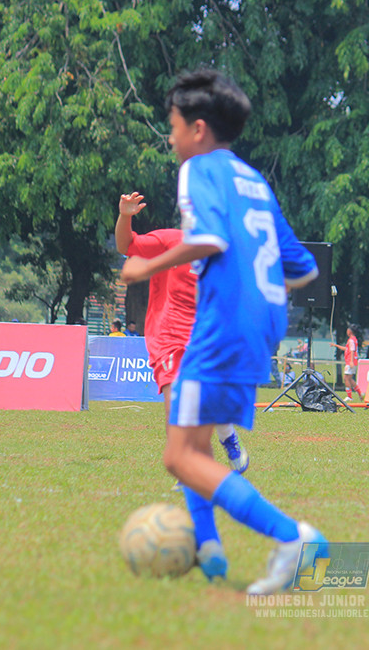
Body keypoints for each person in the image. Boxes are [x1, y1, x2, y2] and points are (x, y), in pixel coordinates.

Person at [119, 68, 325, 595]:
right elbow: (303, 269)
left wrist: (146, 268)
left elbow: (207, 239)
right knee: (195, 444)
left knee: (178, 455)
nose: (170, 138)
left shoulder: (198, 170)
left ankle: (292, 538)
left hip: (220, 325)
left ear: (199, 129)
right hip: (263, 324)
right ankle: (209, 552)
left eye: (173, 126)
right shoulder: (253, 179)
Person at [115, 195, 249, 476]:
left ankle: (227, 435)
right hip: (169, 336)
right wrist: (125, 216)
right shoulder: (170, 240)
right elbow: (125, 245)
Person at [331, 325, 361, 401]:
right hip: (352, 361)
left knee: (346, 378)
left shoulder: (351, 340)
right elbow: (347, 349)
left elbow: (352, 351)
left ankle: (349, 396)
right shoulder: (353, 340)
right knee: (350, 379)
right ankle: (360, 394)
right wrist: (336, 345)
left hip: (350, 362)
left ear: (350, 331)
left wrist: (351, 361)